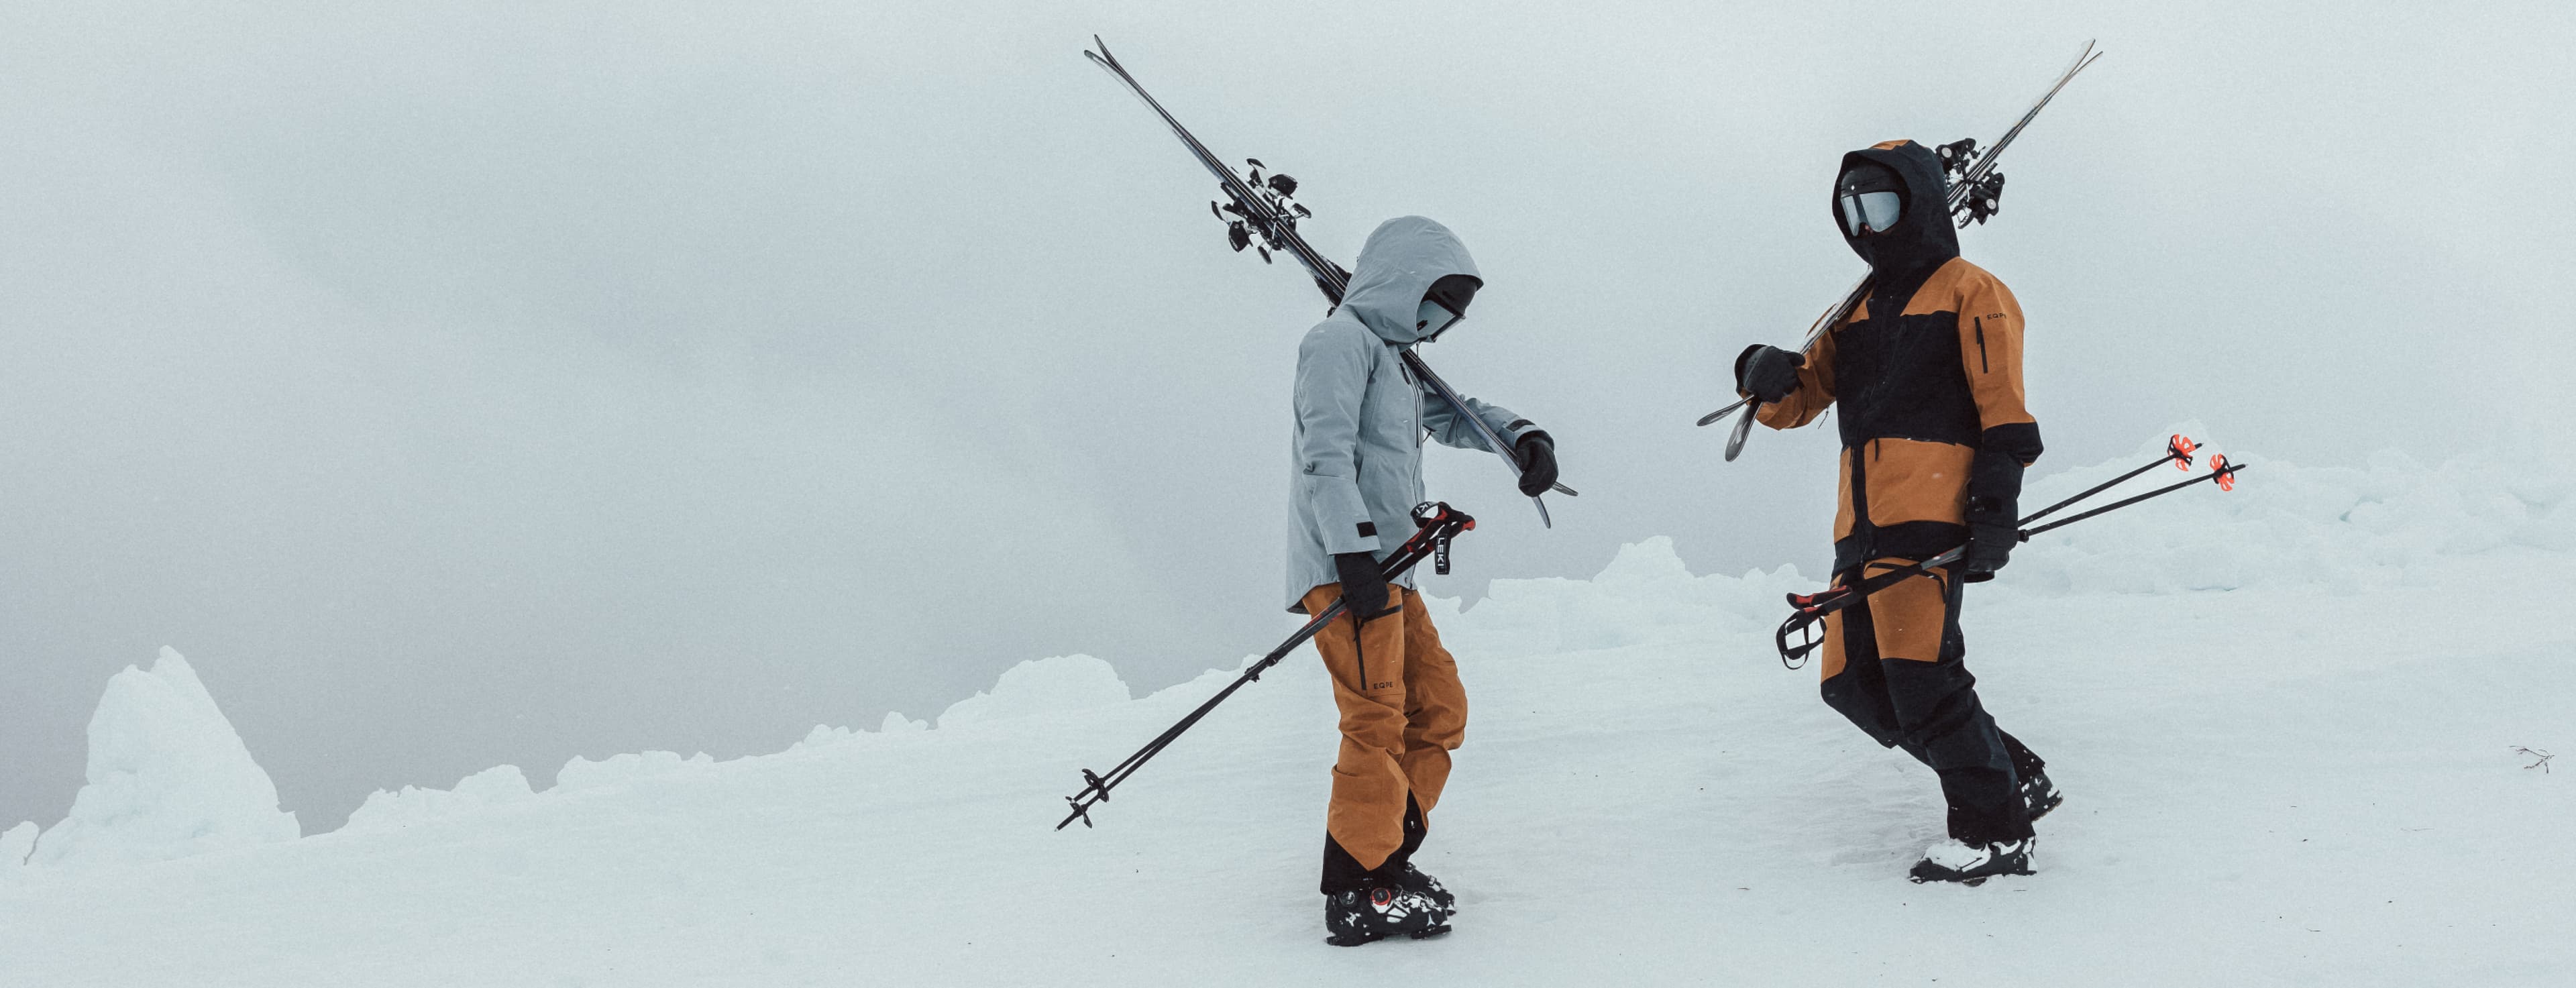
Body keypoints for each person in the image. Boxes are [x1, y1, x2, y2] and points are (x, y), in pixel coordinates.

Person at [1733, 140, 2063, 885]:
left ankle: (1996, 832)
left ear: (1915, 200)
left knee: (1922, 679)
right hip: (1862, 521)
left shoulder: (1972, 291)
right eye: (1851, 209)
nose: (1866, 223)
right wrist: (1759, 368)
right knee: (1852, 683)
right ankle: (2013, 776)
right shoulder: (1853, 312)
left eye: (1879, 203)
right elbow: (1796, 403)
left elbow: (2005, 413)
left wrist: (1994, 507)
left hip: (1932, 509)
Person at [1289, 215, 1558, 944]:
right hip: (1353, 567)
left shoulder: (1395, 360)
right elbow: (1326, 453)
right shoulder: (1338, 342)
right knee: (1375, 718)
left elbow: (1455, 415)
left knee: (1438, 707)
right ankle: (1356, 890)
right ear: (1402, 281)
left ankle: (1382, 855)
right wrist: (1351, 556)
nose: (1438, 322)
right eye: (1434, 302)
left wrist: (1525, 438)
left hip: (1392, 570)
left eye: (1451, 313)